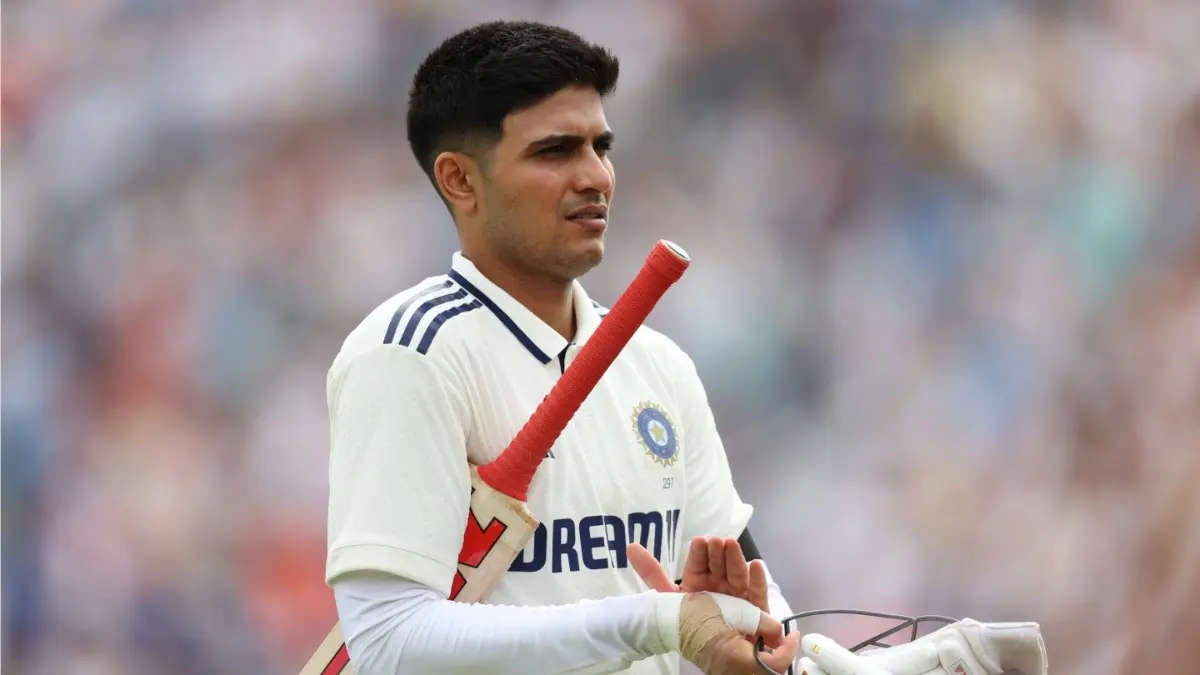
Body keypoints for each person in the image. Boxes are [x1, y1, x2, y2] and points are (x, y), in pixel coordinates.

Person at [324, 19, 801, 675]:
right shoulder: (411, 354)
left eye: (601, 146)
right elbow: (388, 640)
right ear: (460, 180)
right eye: (556, 151)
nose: (596, 176)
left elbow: (758, 606)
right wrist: (657, 621)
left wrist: (759, 636)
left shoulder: (658, 366)